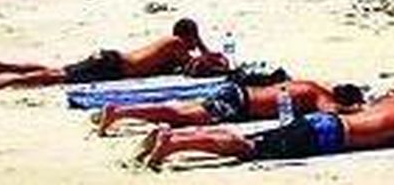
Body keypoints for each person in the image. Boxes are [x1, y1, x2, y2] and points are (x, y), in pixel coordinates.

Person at [134, 89, 394, 170]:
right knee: (248, 149)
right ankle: (173, 145)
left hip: (323, 123)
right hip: (329, 135)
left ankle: (176, 137)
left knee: (250, 140)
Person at [0, 18, 214, 91]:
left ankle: (0, 66)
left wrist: (199, 44)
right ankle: (6, 81)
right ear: (189, 36)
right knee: (59, 76)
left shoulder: (170, 46)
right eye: (195, 38)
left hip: (111, 60)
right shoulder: (175, 43)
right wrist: (202, 45)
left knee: (58, 70)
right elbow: (197, 66)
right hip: (113, 65)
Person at [95, 80, 365, 135]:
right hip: (239, 103)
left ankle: (122, 112)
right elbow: (330, 112)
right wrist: (356, 111)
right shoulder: (319, 94)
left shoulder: (309, 84)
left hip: (238, 92)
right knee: (179, 116)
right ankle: (119, 112)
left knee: (178, 112)